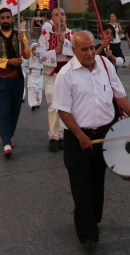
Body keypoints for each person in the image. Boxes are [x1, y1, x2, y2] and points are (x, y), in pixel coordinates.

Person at [52, 31, 130, 250]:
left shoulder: (105, 65)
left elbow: (119, 95)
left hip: (105, 135)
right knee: (81, 187)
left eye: (92, 47)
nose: (91, 52)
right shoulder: (66, 74)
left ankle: (91, 219)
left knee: (96, 183)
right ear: (74, 51)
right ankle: (87, 235)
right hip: (78, 137)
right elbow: (63, 111)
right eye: (85, 49)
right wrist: (81, 136)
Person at [0, 8, 31, 156]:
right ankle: (6, 143)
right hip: (0, 80)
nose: (5, 20)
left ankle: (8, 135)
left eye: (8, 17)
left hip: (17, 79)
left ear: (12, 19)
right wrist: (8, 61)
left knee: (14, 111)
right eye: (2, 18)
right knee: (3, 111)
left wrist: (23, 44)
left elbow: (27, 55)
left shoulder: (20, 35)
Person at [38, 8, 75, 153]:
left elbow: (78, 53)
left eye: (63, 14)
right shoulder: (46, 34)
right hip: (51, 75)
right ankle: (53, 137)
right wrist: (54, 52)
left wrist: (65, 44)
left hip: (67, 76)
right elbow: (40, 55)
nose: (61, 17)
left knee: (66, 106)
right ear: (52, 18)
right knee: (53, 105)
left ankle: (62, 135)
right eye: (57, 15)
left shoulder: (72, 34)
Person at [22, 43, 44, 110]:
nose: (36, 51)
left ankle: (38, 102)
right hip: (31, 75)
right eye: (34, 49)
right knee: (32, 90)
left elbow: (45, 66)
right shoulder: (29, 58)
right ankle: (32, 104)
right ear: (31, 50)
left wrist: (43, 71)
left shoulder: (42, 58)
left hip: (39, 75)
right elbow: (24, 66)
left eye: (37, 49)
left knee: (39, 90)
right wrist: (28, 71)